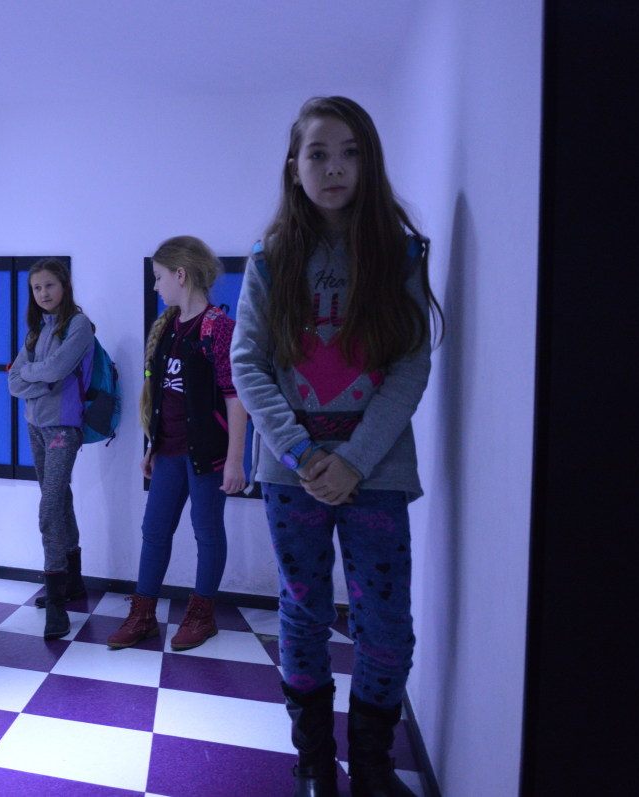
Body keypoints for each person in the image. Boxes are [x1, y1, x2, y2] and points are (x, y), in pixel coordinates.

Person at [231, 97, 443, 797]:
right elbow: (247, 363)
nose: (334, 168)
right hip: (291, 472)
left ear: (368, 161)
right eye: (318, 154)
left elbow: (411, 364)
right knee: (303, 612)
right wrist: (301, 453)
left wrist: (353, 458)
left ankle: (373, 764)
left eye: (350, 152)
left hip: (377, 469)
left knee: (386, 622)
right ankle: (315, 763)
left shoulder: (400, 253)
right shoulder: (270, 258)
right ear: (293, 166)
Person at [106, 236, 247, 651]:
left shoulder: (219, 328)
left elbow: (236, 399)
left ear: (180, 275)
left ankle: (202, 616)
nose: (156, 286)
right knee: (154, 531)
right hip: (168, 451)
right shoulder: (167, 326)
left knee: (207, 531)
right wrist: (152, 444)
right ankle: (143, 616)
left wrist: (235, 460)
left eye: (159, 277)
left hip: (208, 455)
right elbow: (162, 395)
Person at [7, 258, 94, 640]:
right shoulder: (35, 330)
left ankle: (56, 602)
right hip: (35, 426)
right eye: (36, 288)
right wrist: (39, 378)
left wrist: (35, 375)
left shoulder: (79, 324)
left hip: (63, 427)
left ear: (64, 286)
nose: (43, 293)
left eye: (49, 285)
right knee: (59, 499)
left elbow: (58, 369)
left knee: (49, 507)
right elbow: (13, 382)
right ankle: (73, 583)